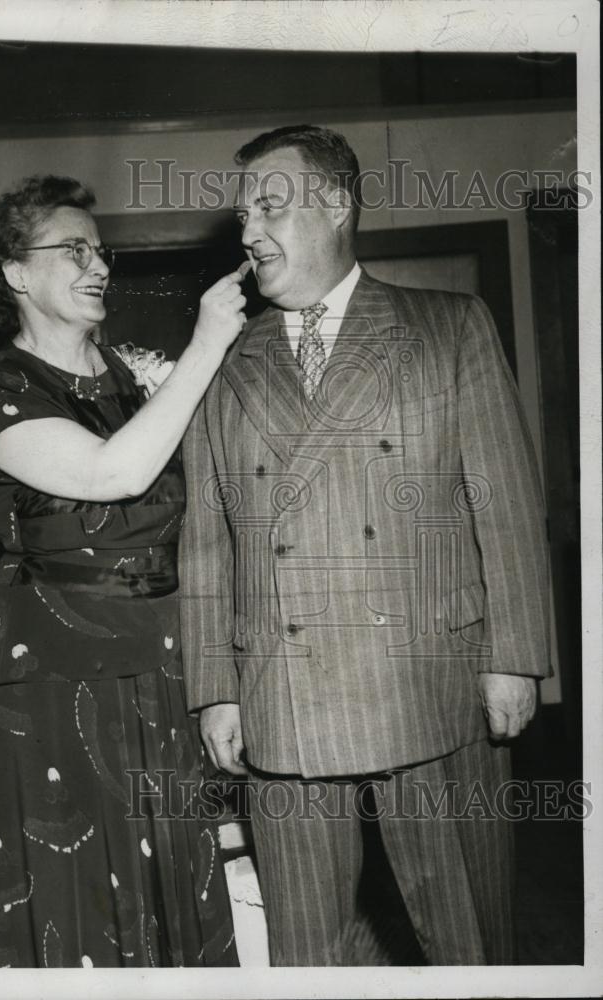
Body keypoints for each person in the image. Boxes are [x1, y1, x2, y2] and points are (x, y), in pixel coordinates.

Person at [179, 125, 551, 966]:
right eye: (243, 213)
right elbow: (207, 540)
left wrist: (516, 656)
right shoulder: (224, 360)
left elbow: (505, 504)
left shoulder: (448, 326)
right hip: (281, 692)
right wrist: (214, 688)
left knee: (467, 935)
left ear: (338, 205)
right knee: (306, 945)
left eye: (270, 204)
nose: (248, 232)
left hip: (432, 679)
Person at [0, 174, 246, 967]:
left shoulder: (126, 374)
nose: (99, 264)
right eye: (72, 248)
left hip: (156, 656)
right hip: (57, 673)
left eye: (100, 248)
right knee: (76, 886)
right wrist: (208, 345)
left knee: (169, 872)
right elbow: (111, 474)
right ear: (16, 274)